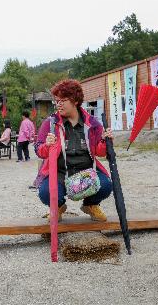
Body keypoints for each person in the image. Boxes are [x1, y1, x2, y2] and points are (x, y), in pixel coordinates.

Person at [34, 79, 113, 222]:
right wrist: (47, 145)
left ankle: (90, 205)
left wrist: (105, 141)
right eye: (57, 100)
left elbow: (100, 152)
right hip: (59, 174)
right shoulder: (50, 123)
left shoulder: (92, 123)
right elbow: (39, 150)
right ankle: (57, 206)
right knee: (45, 192)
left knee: (106, 184)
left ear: (75, 101)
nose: (59, 104)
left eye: (63, 100)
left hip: (86, 173)